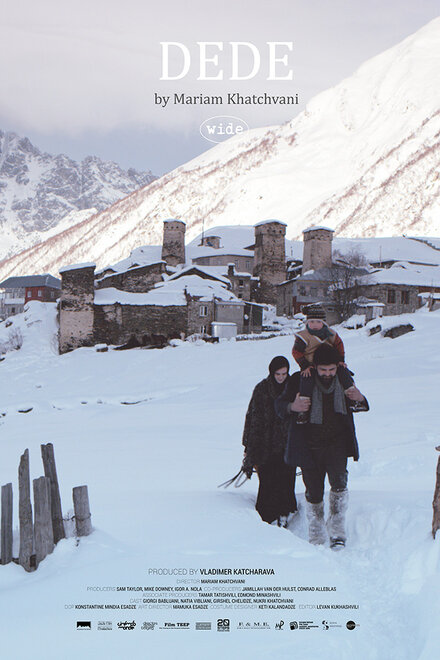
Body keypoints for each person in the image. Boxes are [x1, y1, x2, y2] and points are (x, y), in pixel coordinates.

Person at [275, 343, 369, 549]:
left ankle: (337, 530)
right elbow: (279, 406)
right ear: (315, 367)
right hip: (309, 447)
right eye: (323, 370)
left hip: (337, 445)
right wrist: (293, 406)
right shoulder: (300, 381)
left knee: (339, 486)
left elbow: (360, 404)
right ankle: (316, 533)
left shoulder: (345, 380)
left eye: (331, 370)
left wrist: (360, 398)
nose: (327, 374)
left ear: (338, 367)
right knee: (314, 492)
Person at [242, 356, 297, 527]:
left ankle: (285, 513)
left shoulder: (293, 388)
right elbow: (252, 417)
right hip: (265, 443)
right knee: (267, 481)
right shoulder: (261, 389)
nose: (281, 377)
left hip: (287, 444)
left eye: (284, 374)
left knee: (286, 480)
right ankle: (266, 520)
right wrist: (248, 445)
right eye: (278, 374)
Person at [292, 306, 359, 423]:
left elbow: (339, 346)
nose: (315, 325)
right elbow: (296, 352)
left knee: (344, 373)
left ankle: (352, 397)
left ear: (323, 322)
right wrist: (304, 366)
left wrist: (340, 360)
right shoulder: (304, 336)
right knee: (307, 379)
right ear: (307, 322)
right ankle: (304, 408)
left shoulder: (331, 334)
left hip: (330, 362)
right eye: (311, 322)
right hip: (311, 364)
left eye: (318, 322)